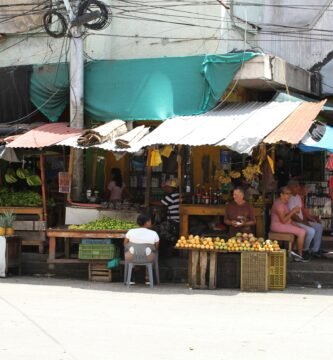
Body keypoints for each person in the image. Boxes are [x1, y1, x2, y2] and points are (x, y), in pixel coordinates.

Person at [270, 186, 306, 261]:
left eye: (290, 194)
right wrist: (293, 211)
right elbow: (283, 220)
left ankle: (292, 252)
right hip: (277, 225)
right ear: (281, 195)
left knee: (301, 229)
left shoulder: (284, 202)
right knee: (302, 232)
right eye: (287, 194)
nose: (289, 196)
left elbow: (287, 218)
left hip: (284, 224)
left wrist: (295, 224)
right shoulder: (279, 205)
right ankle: (299, 256)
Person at [288, 180, 323, 259]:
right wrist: (303, 222)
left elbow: (301, 211)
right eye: (296, 186)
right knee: (311, 231)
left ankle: (315, 250)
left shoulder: (297, 197)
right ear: (291, 187)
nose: (298, 188)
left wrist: (307, 220)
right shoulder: (289, 198)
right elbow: (292, 215)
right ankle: (304, 250)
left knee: (318, 227)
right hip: (294, 221)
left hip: (301, 220)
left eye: (298, 186)